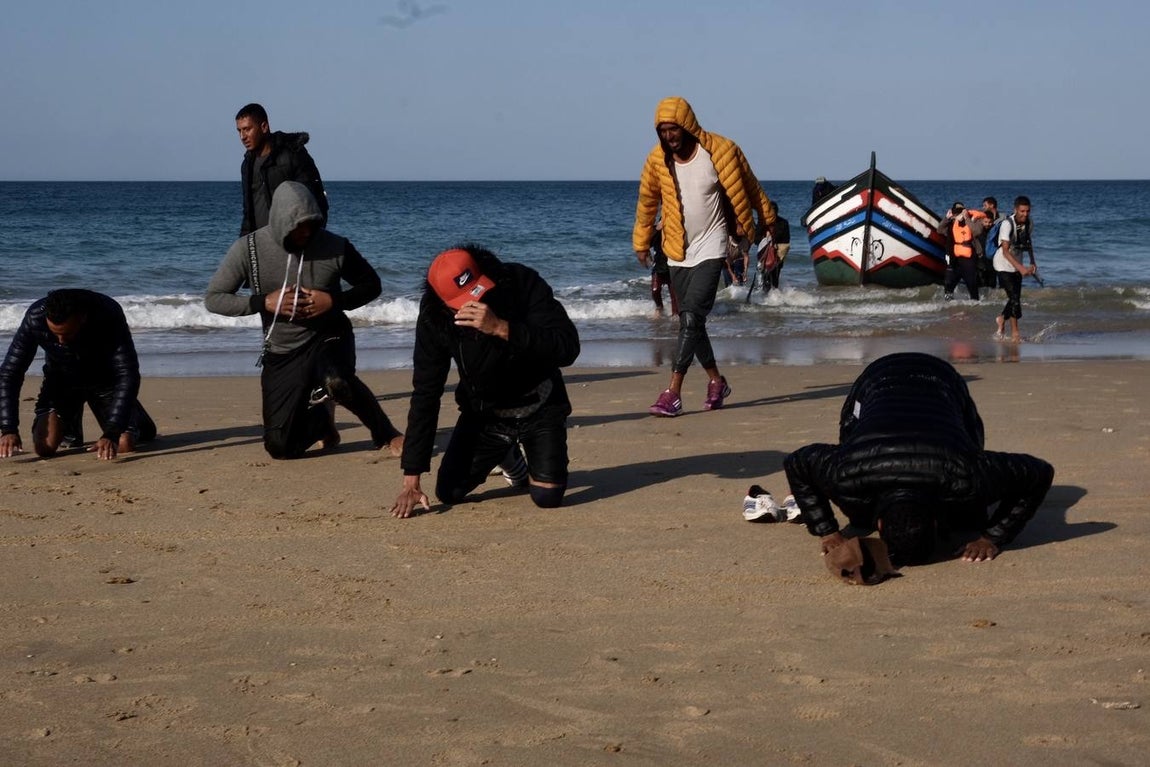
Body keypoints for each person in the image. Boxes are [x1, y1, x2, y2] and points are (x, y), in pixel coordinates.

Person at [781, 352, 1053, 581]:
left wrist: (993, 536)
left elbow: (1039, 473)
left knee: (969, 512)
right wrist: (826, 529)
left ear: (880, 523)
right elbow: (797, 462)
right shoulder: (846, 471)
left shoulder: (967, 474)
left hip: (942, 382)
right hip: (875, 383)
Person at [205, 181, 402, 459]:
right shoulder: (248, 249)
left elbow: (372, 285)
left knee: (337, 381)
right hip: (282, 350)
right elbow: (214, 298)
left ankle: (386, 434)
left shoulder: (335, 246)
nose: (306, 232)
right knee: (280, 447)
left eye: (312, 224)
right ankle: (322, 421)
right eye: (299, 226)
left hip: (328, 336)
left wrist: (333, 301)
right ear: (281, 221)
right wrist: (264, 302)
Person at [390, 246, 580, 518]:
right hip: (486, 415)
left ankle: (525, 451)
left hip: (540, 404)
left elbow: (568, 348)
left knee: (547, 497)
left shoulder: (521, 282)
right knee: (449, 492)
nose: (476, 301)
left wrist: (502, 328)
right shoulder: (434, 317)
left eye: (477, 289)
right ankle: (509, 457)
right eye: (464, 300)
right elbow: (426, 391)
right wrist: (412, 477)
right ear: (443, 302)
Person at [633, 96, 774, 417]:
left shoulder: (722, 151)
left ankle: (673, 392)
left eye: (674, 129)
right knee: (690, 321)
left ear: (687, 125)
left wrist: (766, 220)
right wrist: (642, 241)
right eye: (663, 131)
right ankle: (716, 381)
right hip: (677, 249)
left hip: (714, 245)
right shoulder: (657, 160)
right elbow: (646, 203)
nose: (669, 136)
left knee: (693, 316)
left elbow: (750, 187)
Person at [0, 289, 157, 461]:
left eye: (66, 334)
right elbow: (10, 374)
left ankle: (135, 417)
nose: (60, 341)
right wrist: (8, 428)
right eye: (55, 334)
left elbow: (127, 373)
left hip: (104, 381)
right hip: (62, 382)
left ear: (82, 318)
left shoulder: (108, 313)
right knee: (44, 449)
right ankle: (71, 425)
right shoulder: (35, 318)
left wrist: (112, 432)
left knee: (124, 444)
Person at [236, 103, 328, 237]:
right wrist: (245, 245)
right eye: (239, 131)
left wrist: (308, 242)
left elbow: (315, 201)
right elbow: (248, 213)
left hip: (292, 244)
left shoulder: (293, 154)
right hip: (261, 246)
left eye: (247, 129)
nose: (242, 136)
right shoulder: (247, 165)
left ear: (264, 127)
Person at [992, 195, 1039, 341]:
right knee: (1014, 299)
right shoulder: (1007, 224)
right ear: (1015, 210)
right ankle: (1015, 333)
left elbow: (1028, 242)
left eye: (1027, 211)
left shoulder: (1029, 223)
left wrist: (1032, 262)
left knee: (1015, 299)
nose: (1025, 214)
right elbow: (1005, 251)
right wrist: (1021, 268)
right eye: (1022, 211)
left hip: (1017, 264)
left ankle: (1002, 319)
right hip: (1002, 264)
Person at [938, 201, 988, 300]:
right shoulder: (952, 223)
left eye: (960, 212)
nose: (958, 215)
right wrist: (946, 219)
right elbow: (940, 230)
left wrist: (967, 219)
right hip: (955, 258)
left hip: (969, 258)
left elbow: (977, 231)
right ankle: (948, 304)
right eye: (956, 213)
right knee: (949, 284)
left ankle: (975, 305)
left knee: (971, 284)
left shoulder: (974, 220)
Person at [649, 220, 678, 316]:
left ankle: (675, 315)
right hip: (659, 264)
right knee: (655, 290)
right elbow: (648, 243)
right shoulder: (656, 227)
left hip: (673, 263)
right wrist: (657, 229)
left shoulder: (675, 225)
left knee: (674, 294)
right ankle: (659, 307)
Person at [762, 201, 790, 291]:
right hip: (765, 252)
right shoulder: (764, 222)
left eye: (774, 210)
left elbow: (786, 239)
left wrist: (774, 240)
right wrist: (766, 239)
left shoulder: (783, 223)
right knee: (765, 276)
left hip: (778, 253)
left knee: (775, 276)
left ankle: (773, 297)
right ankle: (767, 295)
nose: (773, 213)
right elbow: (756, 238)